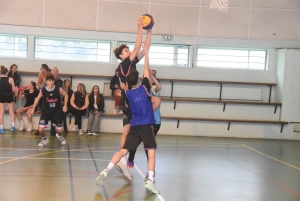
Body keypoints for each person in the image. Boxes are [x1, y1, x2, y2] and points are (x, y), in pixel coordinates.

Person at [96, 40, 160, 194]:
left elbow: (128, 85)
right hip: (146, 125)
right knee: (151, 153)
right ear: (138, 80)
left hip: (135, 125)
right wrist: (147, 51)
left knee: (123, 150)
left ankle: (106, 170)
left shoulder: (128, 93)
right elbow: (146, 68)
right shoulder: (144, 87)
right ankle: (150, 180)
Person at [127, 69, 162, 170]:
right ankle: (130, 160)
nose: (151, 77)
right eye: (149, 76)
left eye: (153, 76)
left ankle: (150, 170)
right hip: (143, 121)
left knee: (149, 147)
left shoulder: (153, 89)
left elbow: (159, 87)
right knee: (135, 142)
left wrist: (153, 76)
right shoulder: (141, 89)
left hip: (154, 121)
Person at [29, 74, 68, 147]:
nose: (51, 82)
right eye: (49, 80)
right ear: (46, 82)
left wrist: (65, 105)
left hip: (56, 112)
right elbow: (37, 99)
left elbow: (66, 95)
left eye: (52, 80)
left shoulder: (58, 89)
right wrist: (33, 109)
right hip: (46, 112)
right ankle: (44, 139)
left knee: (60, 131)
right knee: (40, 130)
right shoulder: (43, 90)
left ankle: (59, 136)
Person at [0, 65, 15, 133]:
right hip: (9, 95)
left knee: (1, 112)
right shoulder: (10, 79)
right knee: (11, 112)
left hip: (1, 96)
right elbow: (13, 90)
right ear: (6, 72)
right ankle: (13, 126)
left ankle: (1, 128)